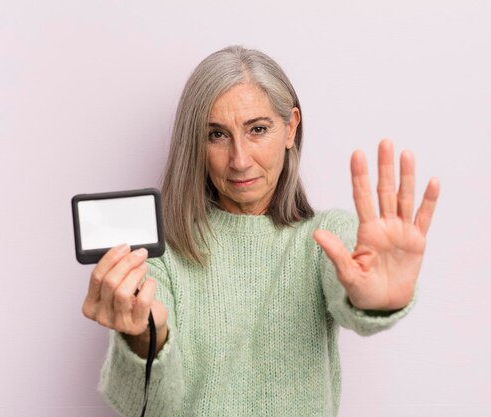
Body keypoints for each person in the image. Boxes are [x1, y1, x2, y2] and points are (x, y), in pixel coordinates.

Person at [81, 45, 440, 417]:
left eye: (258, 129)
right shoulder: (161, 254)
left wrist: (377, 300)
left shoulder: (325, 238)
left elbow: (353, 292)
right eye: (216, 135)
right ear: (196, 143)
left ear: (291, 127)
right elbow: (151, 406)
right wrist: (143, 337)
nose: (239, 160)